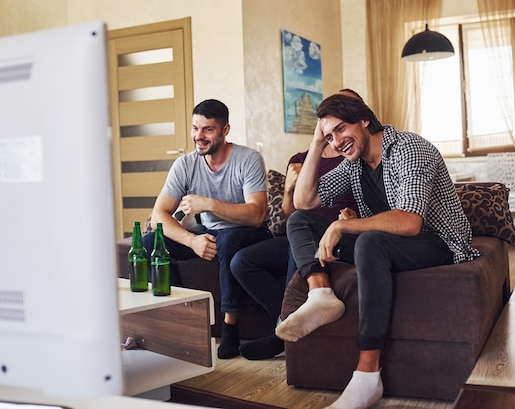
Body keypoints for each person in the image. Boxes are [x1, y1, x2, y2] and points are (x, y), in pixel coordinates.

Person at [275, 94, 480, 409]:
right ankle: (321, 296)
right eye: (330, 136)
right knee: (301, 221)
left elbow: (411, 221)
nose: (337, 141)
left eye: (341, 129)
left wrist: (343, 227)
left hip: (438, 241)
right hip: (390, 244)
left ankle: (367, 376)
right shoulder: (353, 164)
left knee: (370, 240)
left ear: (365, 120)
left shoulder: (410, 148)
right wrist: (316, 144)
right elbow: (305, 202)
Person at [230, 89, 362, 360]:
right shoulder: (301, 159)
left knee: (296, 247)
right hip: (301, 232)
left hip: (338, 236)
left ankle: (283, 333)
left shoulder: (353, 154)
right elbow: (291, 216)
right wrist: (290, 189)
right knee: (241, 262)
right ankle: (288, 319)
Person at [143, 98, 273, 359]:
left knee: (228, 239)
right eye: (195, 129)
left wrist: (208, 204)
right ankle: (177, 320)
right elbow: (159, 215)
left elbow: (257, 215)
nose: (198, 137)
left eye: (207, 130)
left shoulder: (248, 160)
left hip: (245, 234)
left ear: (225, 130)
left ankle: (230, 330)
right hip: (208, 236)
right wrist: (192, 241)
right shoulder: (185, 164)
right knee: (149, 243)